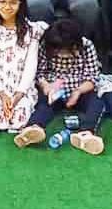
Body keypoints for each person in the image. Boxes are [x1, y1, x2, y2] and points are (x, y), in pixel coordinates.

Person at [13, 18, 106, 156]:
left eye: (66, 51)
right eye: (58, 51)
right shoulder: (46, 46)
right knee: (43, 104)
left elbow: (93, 77)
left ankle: (86, 133)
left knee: (97, 103)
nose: (62, 55)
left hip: (80, 89)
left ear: (76, 45)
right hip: (54, 90)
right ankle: (33, 128)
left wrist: (78, 91)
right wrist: (46, 87)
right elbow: (39, 73)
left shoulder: (87, 46)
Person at [0, 0, 46, 135]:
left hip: (21, 87)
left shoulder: (31, 30)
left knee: (18, 120)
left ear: (20, 4)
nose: (7, 7)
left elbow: (31, 65)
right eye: (2, 2)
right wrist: (2, 94)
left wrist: (19, 94)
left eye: (13, 2)